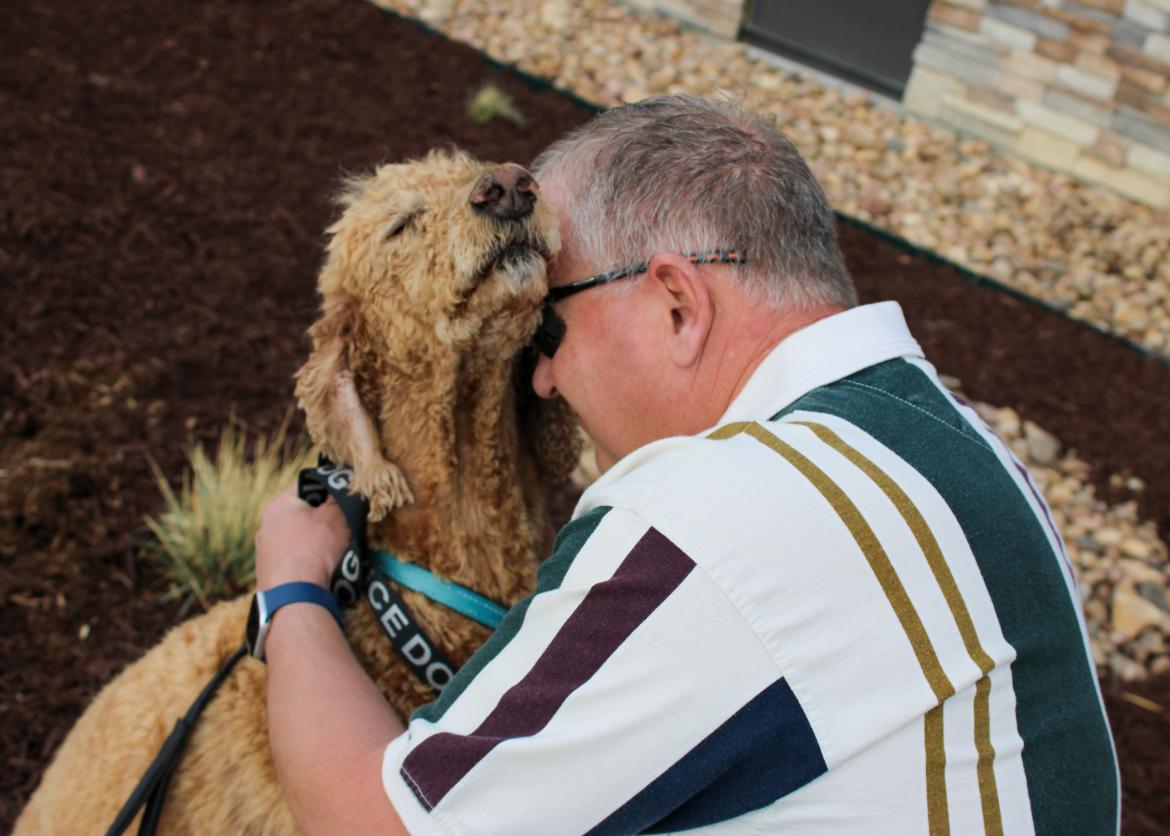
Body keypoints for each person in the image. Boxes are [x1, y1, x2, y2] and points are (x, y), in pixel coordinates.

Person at [255, 95, 1119, 834]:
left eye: (547, 329)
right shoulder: (958, 445)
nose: (545, 379)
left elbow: (377, 825)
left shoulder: (720, 525)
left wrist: (291, 588)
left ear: (677, 305)